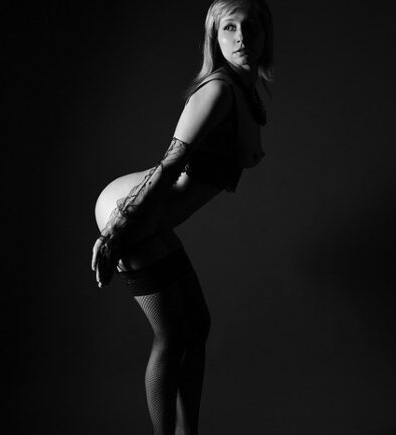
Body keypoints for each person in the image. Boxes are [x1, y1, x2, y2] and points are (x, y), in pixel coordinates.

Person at [91, 0, 274, 433]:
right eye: (229, 28)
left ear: (266, 33)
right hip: (131, 208)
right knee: (172, 337)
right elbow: (171, 164)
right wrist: (117, 230)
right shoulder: (218, 90)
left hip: (153, 217)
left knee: (197, 326)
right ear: (215, 36)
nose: (241, 37)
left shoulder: (244, 90)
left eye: (250, 27)